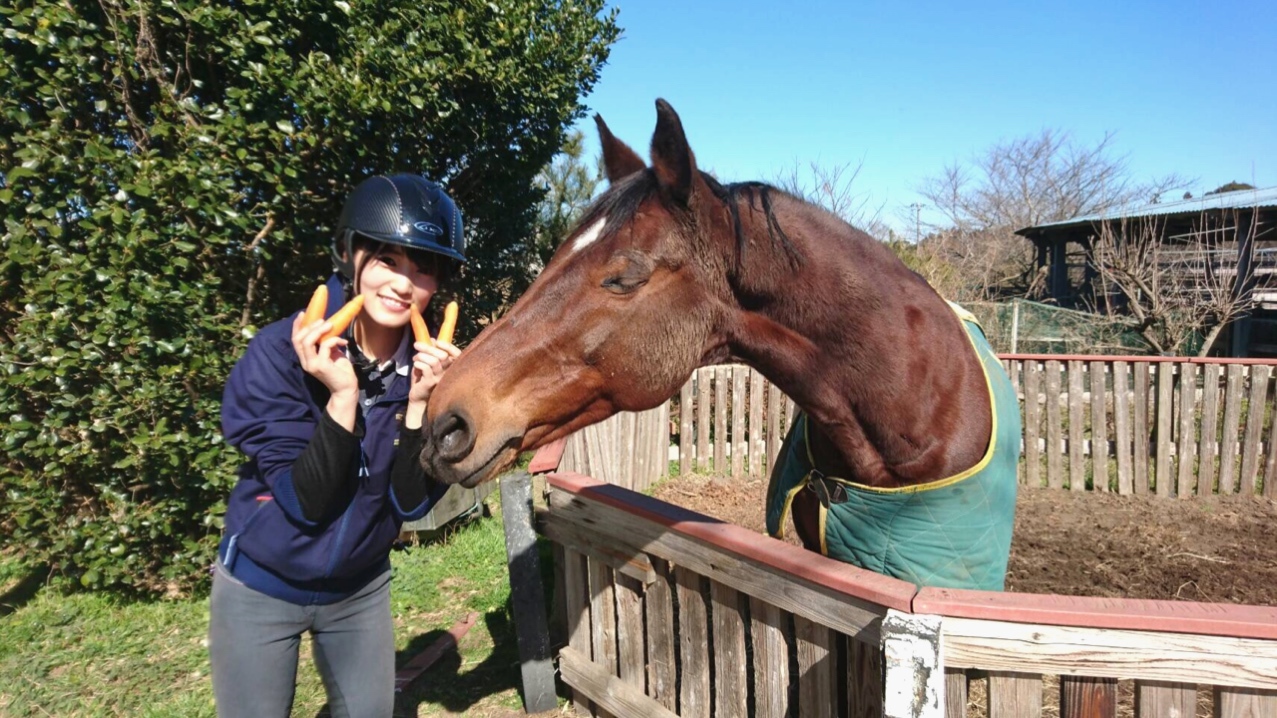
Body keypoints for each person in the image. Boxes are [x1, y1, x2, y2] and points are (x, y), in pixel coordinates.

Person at [208, 174, 465, 718]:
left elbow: (411, 505)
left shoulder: (429, 372)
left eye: (422, 268)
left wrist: (418, 405)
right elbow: (307, 503)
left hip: (359, 589)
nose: (403, 283)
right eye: (388, 261)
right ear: (351, 256)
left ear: (435, 287)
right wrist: (343, 395)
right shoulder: (278, 354)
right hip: (261, 583)